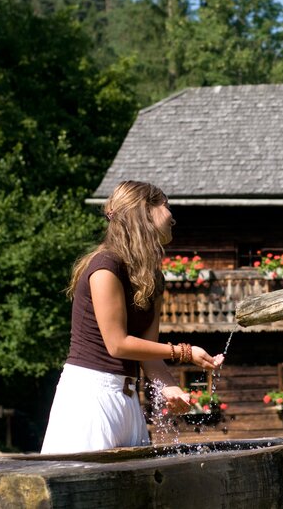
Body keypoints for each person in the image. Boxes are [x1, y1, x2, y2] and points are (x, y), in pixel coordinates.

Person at [41, 180, 223, 454]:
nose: (172, 216)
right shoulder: (105, 266)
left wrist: (170, 388)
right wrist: (184, 352)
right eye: (166, 205)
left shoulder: (152, 277)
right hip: (89, 399)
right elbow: (118, 344)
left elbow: (146, 353)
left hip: (127, 400)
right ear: (145, 210)